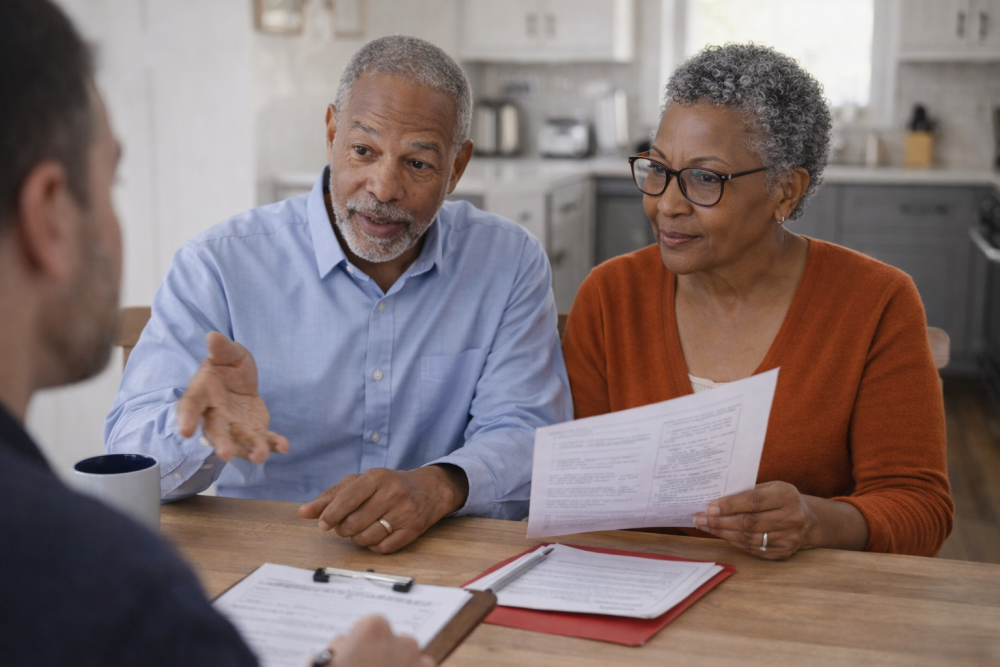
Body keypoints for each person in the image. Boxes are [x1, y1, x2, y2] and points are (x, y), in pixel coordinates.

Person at [0, 1, 432, 665]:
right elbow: (133, 453)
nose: (383, 185)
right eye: (110, 178)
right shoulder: (118, 595)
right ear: (50, 215)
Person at [105, 35, 571, 554]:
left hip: (440, 557)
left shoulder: (507, 262)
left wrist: (440, 485)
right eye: (363, 151)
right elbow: (129, 458)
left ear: (457, 168)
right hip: (261, 558)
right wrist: (199, 434)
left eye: (417, 163)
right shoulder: (218, 264)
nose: (383, 187)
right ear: (332, 134)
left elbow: (529, 433)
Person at [562, 43, 954, 560]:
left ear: (785, 192)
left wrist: (817, 520)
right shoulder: (610, 297)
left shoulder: (877, 302)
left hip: (801, 613)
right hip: (635, 601)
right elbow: (580, 499)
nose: (665, 204)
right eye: (656, 168)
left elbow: (920, 507)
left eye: (705, 178)